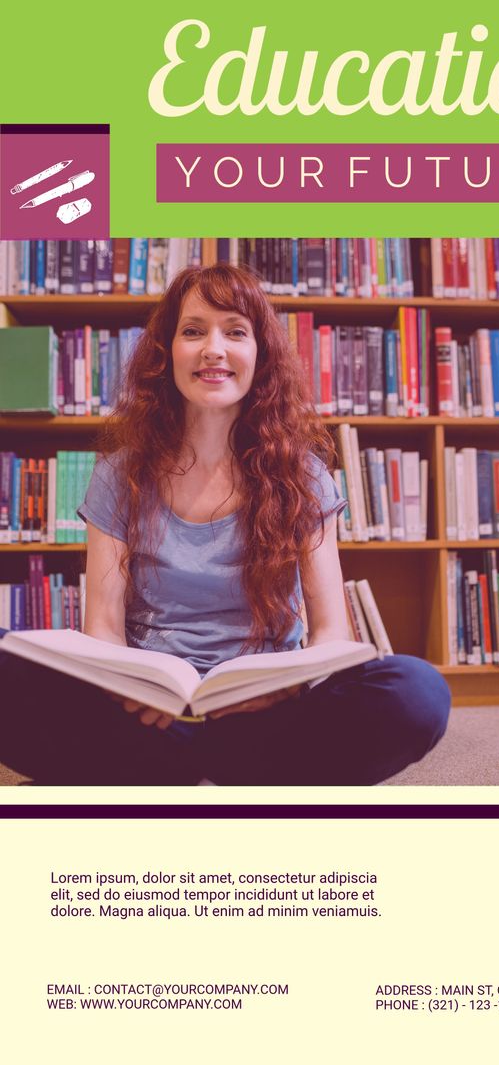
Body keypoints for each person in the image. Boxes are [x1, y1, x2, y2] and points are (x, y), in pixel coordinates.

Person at [0, 263, 450, 785]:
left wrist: (281, 689)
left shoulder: (303, 474)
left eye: (235, 331)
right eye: (193, 331)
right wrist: (131, 690)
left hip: (268, 719)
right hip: (149, 719)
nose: (213, 348)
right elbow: (103, 626)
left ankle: (170, 779)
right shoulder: (119, 474)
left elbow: (332, 631)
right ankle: (193, 775)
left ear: (260, 354)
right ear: (167, 352)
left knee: (417, 691)